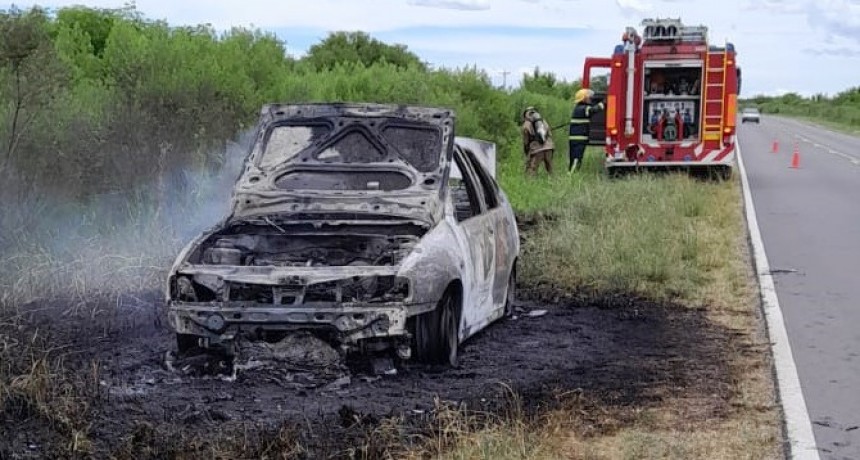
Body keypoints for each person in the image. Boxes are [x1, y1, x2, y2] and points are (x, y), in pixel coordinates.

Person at [568, 88, 604, 174]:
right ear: (584, 98)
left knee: (574, 157)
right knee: (577, 158)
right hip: (579, 139)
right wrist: (603, 103)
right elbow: (593, 110)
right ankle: (571, 175)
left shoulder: (578, 108)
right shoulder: (584, 108)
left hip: (576, 138)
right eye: (589, 97)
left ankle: (571, 173)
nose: (590, 99)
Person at [521, 106, 554, 176]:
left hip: (536, 150)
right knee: (550, 170)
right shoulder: (543, 121)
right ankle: (554, 181)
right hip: (549, 148)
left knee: (531, 171)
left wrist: (527, 152)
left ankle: (529, 182)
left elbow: (526, 142)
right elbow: (549, 134)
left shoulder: (526, 124)